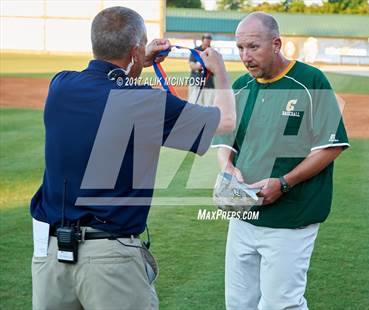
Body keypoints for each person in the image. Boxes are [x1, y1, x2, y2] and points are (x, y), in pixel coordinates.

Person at [30, 6, 235, 310]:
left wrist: (138, 60)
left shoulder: (61, 85)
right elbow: (226, 121)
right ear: (137, 50)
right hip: (110, 261)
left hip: (51, 257)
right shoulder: (146, 102)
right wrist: (220, 72)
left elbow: (103, 82)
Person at [212, 12, 349, 310]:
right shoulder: (240, 87)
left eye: (253, 47)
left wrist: (285, 183)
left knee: (280, 305)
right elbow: (225, 142)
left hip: (291, 219)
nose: (245, 57)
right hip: (243, 217)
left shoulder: (310, 81)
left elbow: (331, 146)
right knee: (238, 304)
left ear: (276, 44)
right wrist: (228, 168)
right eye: (240, 49)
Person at [188, 33, 215, 106]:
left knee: (208, 106)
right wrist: (204, 65)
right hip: (196, 82)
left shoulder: (213, 52)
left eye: (209, 38)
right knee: (193, 105)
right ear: (203, 40)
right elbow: (192, 66)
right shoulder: (196, 51)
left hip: (208, 84)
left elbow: (215, 69)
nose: (208, 40)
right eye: (206, 38)